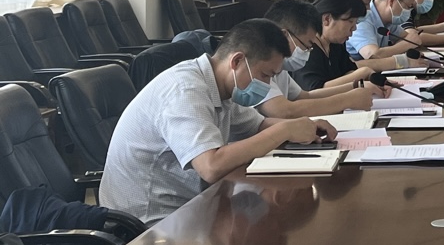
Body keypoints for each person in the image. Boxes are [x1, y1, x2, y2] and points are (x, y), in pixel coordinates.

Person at [100, 20, 336, 223]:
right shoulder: (185, 90)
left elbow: (257, 126)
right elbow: (211, 166)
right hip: (147, 222)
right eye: (265, 75)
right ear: (237, 61)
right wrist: (283, 130)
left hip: (190, 205)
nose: (265, 86)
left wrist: (304, 125)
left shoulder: (223, 87)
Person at [257, 0, 386, 117]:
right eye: (306, 45)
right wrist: (347, 100)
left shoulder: (280, 69)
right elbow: (286, 111)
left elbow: (305, 96)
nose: (307, 52)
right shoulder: (257, 66)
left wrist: (356, 86)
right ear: (284, 36)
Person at [292, 0, 411, 90]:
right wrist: (361, 74)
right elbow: (314, 90)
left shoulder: (335, 44)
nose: (354, 28)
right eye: (350, 22)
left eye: (356, 23)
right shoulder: (306, 46)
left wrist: (372, 79)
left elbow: (348, 70)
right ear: (327, 19)